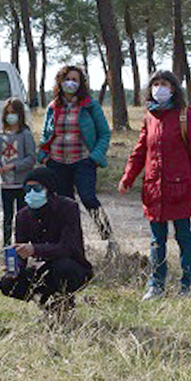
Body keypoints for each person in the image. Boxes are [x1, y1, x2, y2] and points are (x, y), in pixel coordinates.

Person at [118, 71, 191, 299]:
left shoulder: (185, 115)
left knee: (184, 238)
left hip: (179, 188)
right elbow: (140, 151)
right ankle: (156, 285)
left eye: (164, 83)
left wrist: (186, 176)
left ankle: (188, 286)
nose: (159, 88)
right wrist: (128, 177)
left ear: (173, 88)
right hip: (154, 189)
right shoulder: (149, 116)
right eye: (155, 84)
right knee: (157, 241)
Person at [38, 65, 117, 258]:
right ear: (60, 82)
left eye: (75, 80)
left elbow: (104, 133)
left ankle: (109, 239)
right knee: (66, 206)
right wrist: (43, 155)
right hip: (57, 162)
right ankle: (73, 246)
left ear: (81, 84)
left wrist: (95, 157)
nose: (70, 83)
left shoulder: (90, 106)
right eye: (67, 79)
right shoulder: (53, 106)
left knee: (88, 197)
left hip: (83, 161)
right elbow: (46, 133)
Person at [0, 167, 93, 310]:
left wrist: (35, 250)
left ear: (49, 189)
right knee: (6, 284)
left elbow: (68, 247)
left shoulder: (68, 208)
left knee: (62, 267)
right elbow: (21, 253)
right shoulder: (23, 216)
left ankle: (64, 300)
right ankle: (42, 300)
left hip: (72, 268)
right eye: (27, 189)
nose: (31, 193)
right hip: (41, 270)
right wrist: (14, 267)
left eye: (36, 188)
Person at [0, 97, 37, 246]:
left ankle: (22, 245)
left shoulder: (25, 135)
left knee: (22, 216)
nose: (11, 116)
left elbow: (31, 158)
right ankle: (6, 246)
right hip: (5, 184)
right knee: (7, 217)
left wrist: (14, 166)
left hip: (22, 184)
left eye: (14, 112)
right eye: (8, 113)